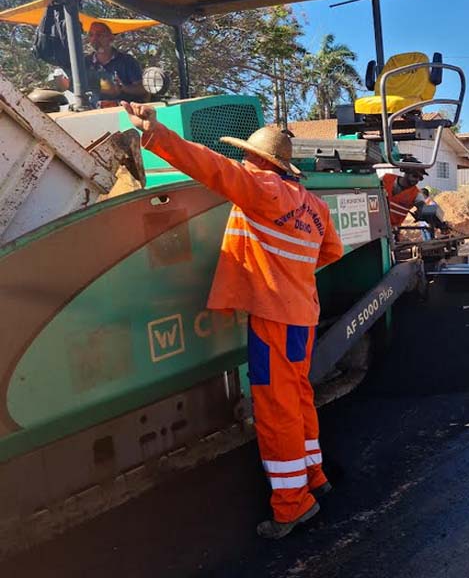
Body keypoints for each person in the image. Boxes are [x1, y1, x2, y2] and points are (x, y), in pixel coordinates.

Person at [121, 101, 344, 539]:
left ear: (259, 162)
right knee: (298, 398)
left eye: (247, 156)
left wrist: (155, 134)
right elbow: (330, 253)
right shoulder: (313, 206)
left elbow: (213, 169)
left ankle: (293, 505)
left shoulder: (261, 190)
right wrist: (289, 269)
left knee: (275, 409)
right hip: (302, 316)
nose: (243, 160)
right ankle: (313, 475)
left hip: (274, 318)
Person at [88, 21, 148, 103]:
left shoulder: (126, 61)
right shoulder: (84, 63)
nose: (94, 39)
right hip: (91, 112)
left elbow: (142, 89)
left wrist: (123, 88)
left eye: (99, 35)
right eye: (91, 35)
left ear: (111, 38)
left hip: (122, 111)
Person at [382, 161, 428, 229]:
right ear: (406, 172)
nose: (417, 180)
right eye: (415, 176)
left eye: (420, 178)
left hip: (392, 230)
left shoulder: (416, 194)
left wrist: (423, 212)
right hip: (374, 224)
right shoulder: (386, 179)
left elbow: (423, 207)